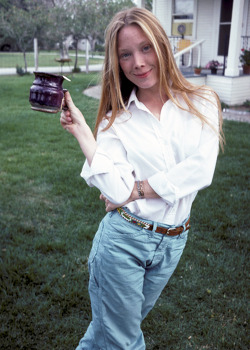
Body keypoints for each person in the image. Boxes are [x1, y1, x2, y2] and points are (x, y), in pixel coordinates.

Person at [60, 7, 224, 350]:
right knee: (124, 340)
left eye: (146, 47)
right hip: (123, 242)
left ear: (162, 45)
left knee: (108, 333)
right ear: (116, 61)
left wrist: (139, 189)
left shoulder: (203, 102)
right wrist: (81, 133)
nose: (138, 62)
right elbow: (116, 191)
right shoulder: (114, 120)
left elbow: (200, 170)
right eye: (126, 54)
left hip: (173, 243)